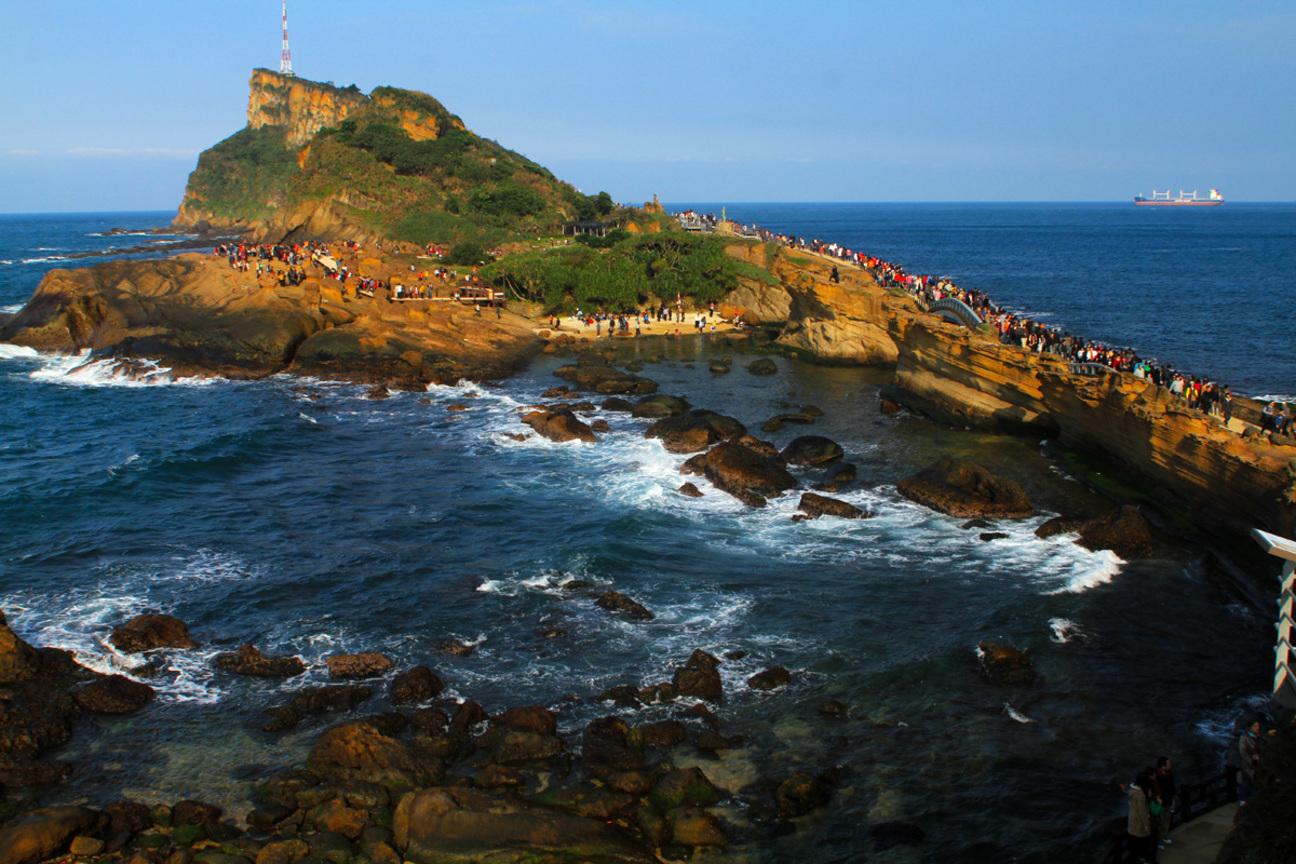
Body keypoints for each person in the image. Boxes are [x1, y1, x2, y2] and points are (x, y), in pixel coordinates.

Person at [1127, 768, 1156, 863]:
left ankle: (1138, 858)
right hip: (1139, 823)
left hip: (1133, 820)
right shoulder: (1140, 795)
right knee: (1144, 842)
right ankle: (1146, 860)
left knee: (1135, 845)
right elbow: (1142, 811)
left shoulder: (1133, 791)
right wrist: (1146, 824)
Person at [1153, 757, 1175, 848]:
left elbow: (1172, 784)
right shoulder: (1156, 775)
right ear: (1163, 766)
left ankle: (1165, 836)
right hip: (1160, 801)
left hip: (1168, 800)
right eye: (1168, 764)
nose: (1170, 766)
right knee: (1159, 822)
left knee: (1166, 820)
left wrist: (1174, 794)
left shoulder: (1169, 773)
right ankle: (1159, 841)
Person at [1239, 720, 1261, 804]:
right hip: (1248, 764)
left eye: (1258, 726)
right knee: (1246, 782)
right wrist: (1250, 760)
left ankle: (1253, 799)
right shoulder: (1244, 737)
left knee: (1254, 782)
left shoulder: (1258, 736)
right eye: (1255, 726)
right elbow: (1243, 752)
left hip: (1257, 763)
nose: (1257, 728)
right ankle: (1243, 800)